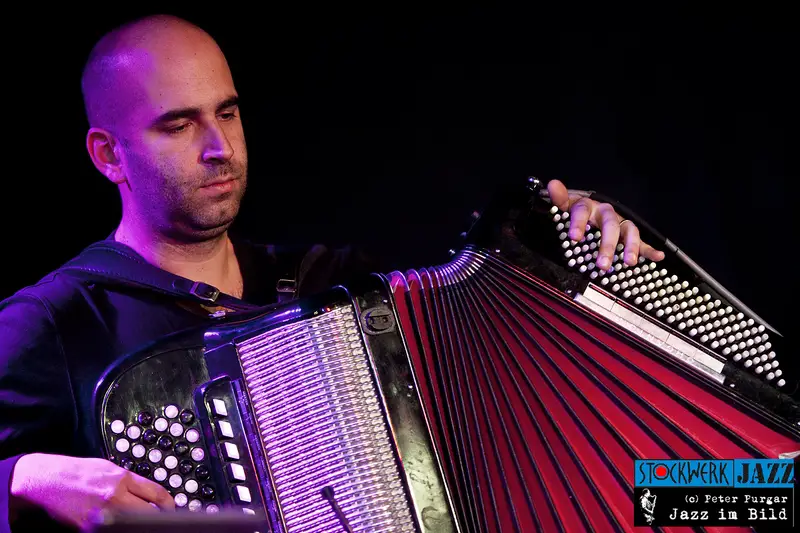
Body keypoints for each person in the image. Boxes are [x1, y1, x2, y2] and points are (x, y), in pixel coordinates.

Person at [0, 13, 664, 533]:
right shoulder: (55, 321)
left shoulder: (337, 285)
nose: (219, 147)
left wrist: (568, 235)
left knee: (714, 495)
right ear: (108, 155)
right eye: (178, 125)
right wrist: (24, 479)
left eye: (227, 112)